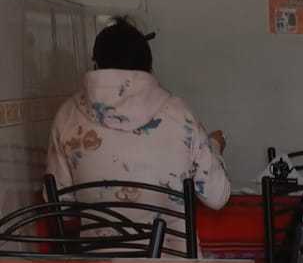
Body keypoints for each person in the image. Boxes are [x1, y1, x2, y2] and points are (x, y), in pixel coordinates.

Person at [47, 17, 230, 224]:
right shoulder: (180, 115)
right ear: (148, 67)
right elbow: (217, 197)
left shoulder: (67, 115)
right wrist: (214, 145)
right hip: (168, 245)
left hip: (99, 245)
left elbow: (60, 207)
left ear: (96, 65)